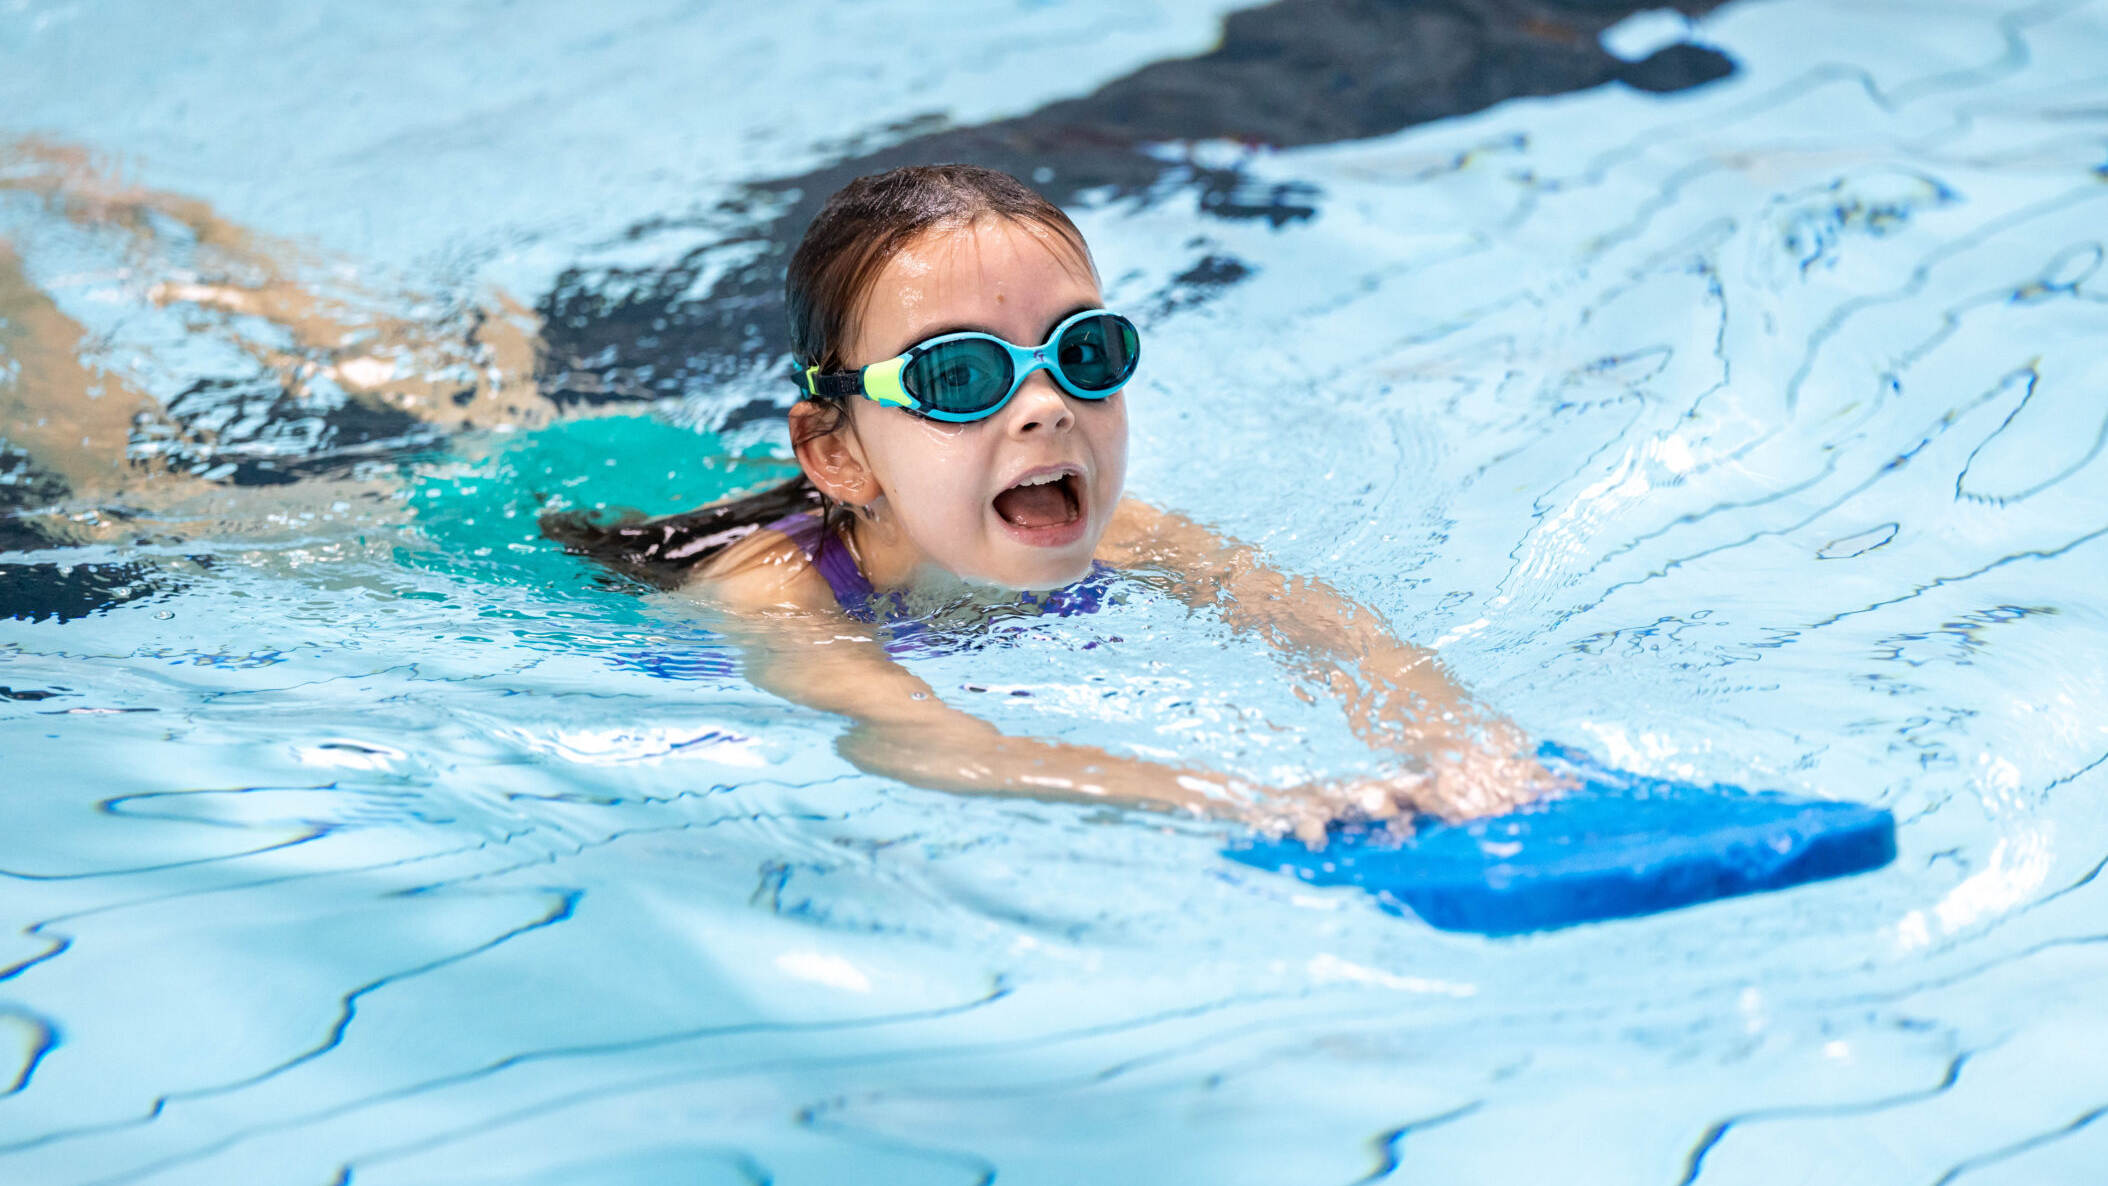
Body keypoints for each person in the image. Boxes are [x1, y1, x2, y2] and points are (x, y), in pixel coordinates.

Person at [547, 165, 1549, 840]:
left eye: (1083, 352)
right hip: (552, 522)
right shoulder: (774, 593)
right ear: (838, 455)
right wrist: (1249, 800)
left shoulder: (1130, 531)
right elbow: (927, 743)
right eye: (958, 375)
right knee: (518, 418)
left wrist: (1467, 743)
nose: (1047, 407)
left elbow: (1318, 625)